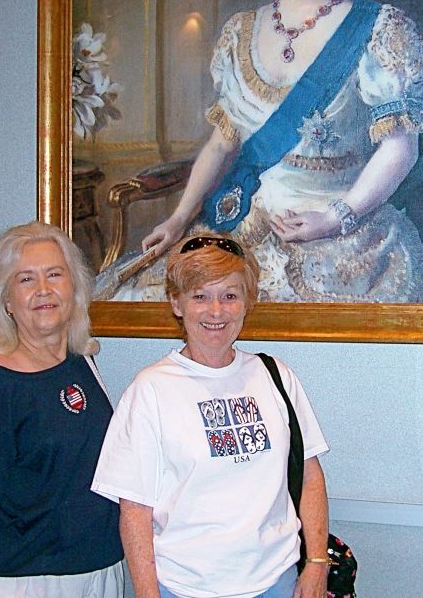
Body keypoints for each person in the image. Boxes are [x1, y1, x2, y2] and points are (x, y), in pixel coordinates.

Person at [96, 0, 423, 304]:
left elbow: (400, 147)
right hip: (240, 221)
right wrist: (179, 218)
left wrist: (335, 218)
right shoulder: (240, 31)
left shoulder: (376, 28)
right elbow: (222, 143)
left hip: (338, 230)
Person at [92, 235, 330, 598]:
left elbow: (309, 475)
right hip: (185, 588)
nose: (216, 311)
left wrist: (316, 564)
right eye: (200, 296)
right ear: (176, 302)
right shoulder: (151, 390)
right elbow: (135, 511)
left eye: (230, 296)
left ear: (247, 302)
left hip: (276, 582)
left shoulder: (275, 376)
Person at [0, 221, 124, 598]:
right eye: (25, 280)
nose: (44, 290)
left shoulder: (81, 364)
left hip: (98, 573)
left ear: (74, 287)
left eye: (55, 275)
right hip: (20, 581)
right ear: (6, 300)